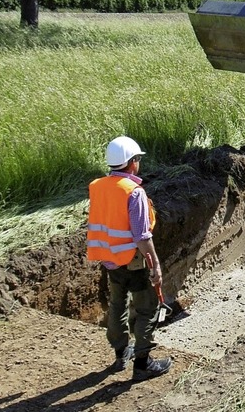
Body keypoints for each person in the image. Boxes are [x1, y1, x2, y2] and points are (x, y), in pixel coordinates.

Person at [87, 135, 172, 381]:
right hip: (133, 261)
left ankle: (121, 353)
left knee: (117, 305)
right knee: (147, 309)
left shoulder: (97, 186)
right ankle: (143, 364)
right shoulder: (133, 192)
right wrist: (155, 265)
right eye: (138, 159)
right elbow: (142, 236)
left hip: (110, 259)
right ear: (133, 162)